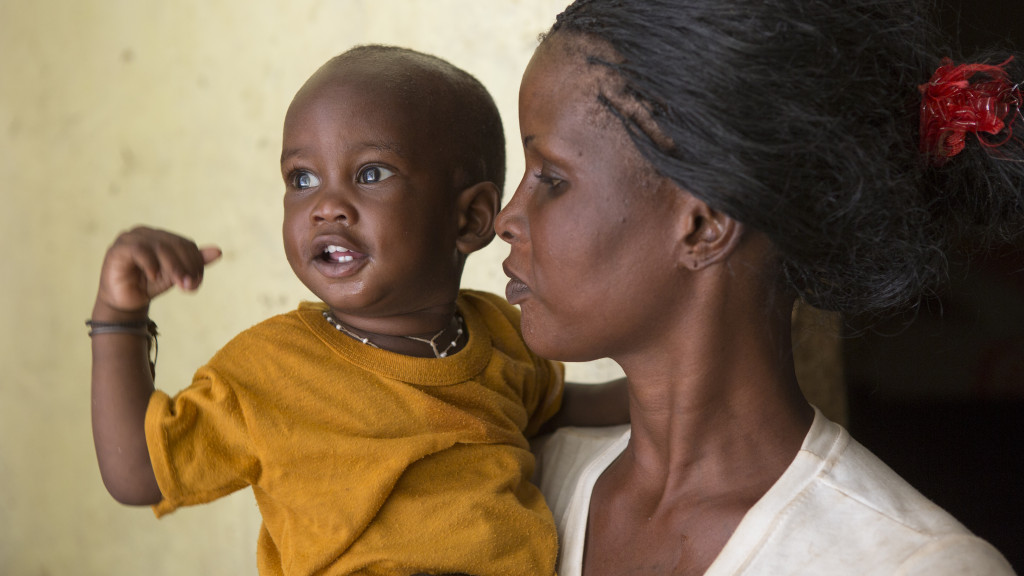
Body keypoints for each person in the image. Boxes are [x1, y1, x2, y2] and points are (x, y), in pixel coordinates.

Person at [495, 0, 1022, 574]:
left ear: (704, 225)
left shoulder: (910, 564)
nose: (506, 218)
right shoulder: (516, 486)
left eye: (550, 178)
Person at [88, 45, 626, 576]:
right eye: (302, 178)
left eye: (370, 173)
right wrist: (119, 316)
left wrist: (683, 389)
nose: (325, 205)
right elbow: (138, 471)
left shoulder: (499, 335)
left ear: (470, 219)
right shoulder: (270, 370)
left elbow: (559, 408)